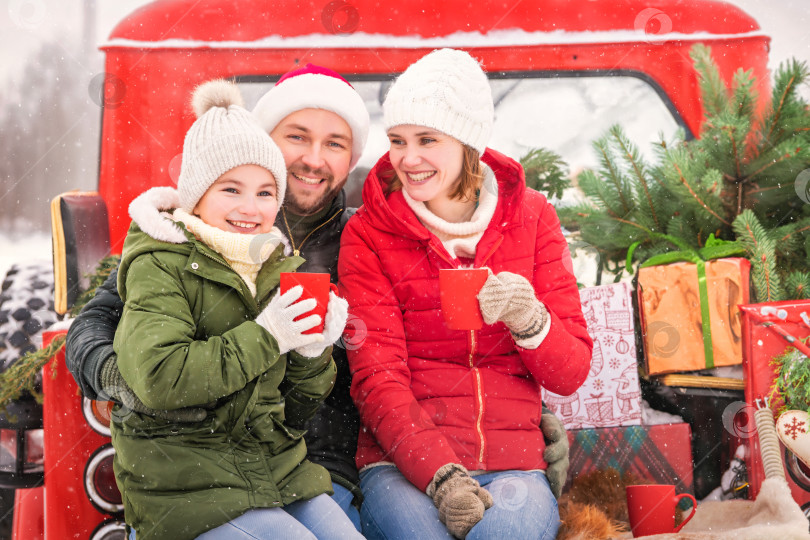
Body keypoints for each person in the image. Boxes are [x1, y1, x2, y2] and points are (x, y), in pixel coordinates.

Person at [65, 62, 573, 532]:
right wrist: (130, 381)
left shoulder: (364, 239)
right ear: (264, 141)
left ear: (351, 157)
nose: (313, 159)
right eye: (297, 137)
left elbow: (413, 355)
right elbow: (97, 325)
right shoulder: (193, 234)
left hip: (329, 465)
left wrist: (508, 419)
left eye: (334, 144)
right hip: (212, 468)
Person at [338, 48, 593, 540]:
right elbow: (377, 378)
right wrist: (442, 475)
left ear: (467, 141)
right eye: (397, 141)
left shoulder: (533, 217)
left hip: (513, 464)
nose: (408, 159)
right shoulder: (370, 234)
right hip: (402, 467)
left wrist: (530, 322)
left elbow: (571, 373)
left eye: (427, 140)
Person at [110, 79, 365, 540]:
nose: (251, 208)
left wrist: (311, 352)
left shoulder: (267, 262)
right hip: (184, 478)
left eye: (266, 193)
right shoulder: (161, 262)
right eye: (231, 189)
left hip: (270, 466)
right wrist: (268, 336)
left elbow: (294, 412)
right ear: (196, 192)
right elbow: (161, 379)